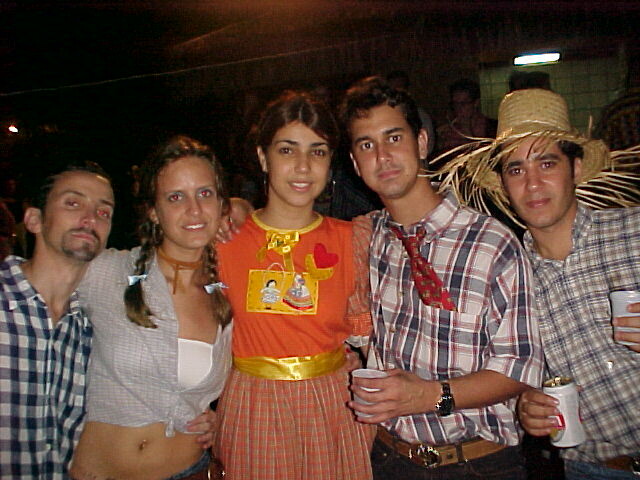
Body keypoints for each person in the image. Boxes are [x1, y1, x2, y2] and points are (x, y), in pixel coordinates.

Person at [338, 76, 543, 479]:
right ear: (355, 163)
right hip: (390, 459)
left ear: (422, 142)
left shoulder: (490, 242)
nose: (382, 156)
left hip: (477, 463)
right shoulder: (364, 239)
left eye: (394, 138)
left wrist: (430, 396)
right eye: (367, 145)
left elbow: (520, 367)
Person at [438, 88, 640, 479]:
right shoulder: (506, 275)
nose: (532, 183)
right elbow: (520, 374)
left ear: (575, 169)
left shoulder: (633, 232)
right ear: (503, 184)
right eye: (516, 170)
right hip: (592, 469)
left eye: (547, 163)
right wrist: (527, 404)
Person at [214, 91, 375, 480]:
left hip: (331, 408)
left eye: (317, 152)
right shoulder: (224, 239)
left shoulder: (352, 239)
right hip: (252, 407)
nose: (303, 166)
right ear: (262, 157)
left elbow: (371, 341)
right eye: (287, 150)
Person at [69, 136, 232, 480]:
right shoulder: (108, 272)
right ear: (154, 212)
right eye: (176, 197)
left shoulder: (228, 291)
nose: (195, 209)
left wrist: (223, 418)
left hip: (190, 470)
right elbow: (33, 285)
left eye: (205, 193)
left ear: (221, 203)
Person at [0, 161, 114, 479]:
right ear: (34, 220)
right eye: (73, 203)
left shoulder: (91, 328)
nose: (91, 219)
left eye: (104, 212)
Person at [436, 78, 497, 156]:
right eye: (455, 104)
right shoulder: (451, 130)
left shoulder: (494, 128)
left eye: (463, 103)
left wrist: (466, 139)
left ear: (476, 103)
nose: (458, 108)